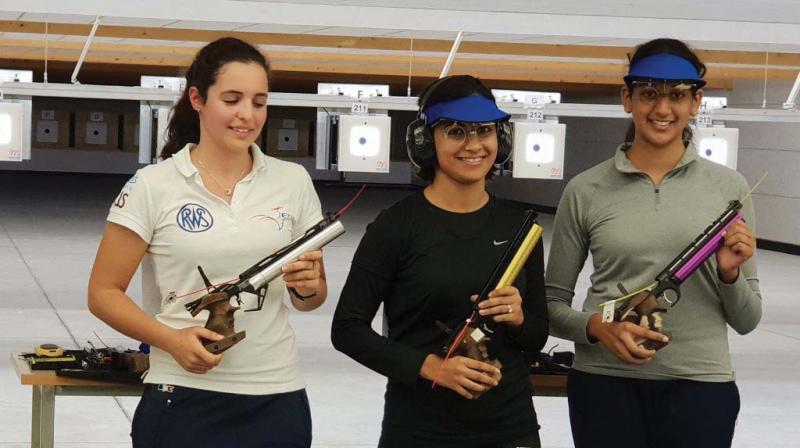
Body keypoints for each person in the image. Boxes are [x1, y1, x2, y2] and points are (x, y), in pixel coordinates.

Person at [87, 37, 326, 448]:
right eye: (232, 99)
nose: (247, 115)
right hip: (181, 396)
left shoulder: (293, 181)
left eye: (259, 101)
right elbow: (103, 293)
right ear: (197, 98)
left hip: (276, 396)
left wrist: (307, 287)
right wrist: (171, 340)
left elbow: (312, 298)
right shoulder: (153, 185)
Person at [545, 38, 762, 448]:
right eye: (649, 94)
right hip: (605, 386)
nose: (662, 110)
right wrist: (596, 328)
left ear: (696, 103)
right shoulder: (585, 189)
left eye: (678, 96)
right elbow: (551, 305)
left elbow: (748, 321)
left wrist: (730, 273)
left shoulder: (728, 188)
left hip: (701, 385)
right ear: (627, 98)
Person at [331, 75, 549, 448]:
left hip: (510, 428)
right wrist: (434, 369)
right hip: (420, 430)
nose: (474, 145)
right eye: (455, 131)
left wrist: (519, 318)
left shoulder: (521, 227)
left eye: (484, 131)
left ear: (503, 139)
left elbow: (536, 336)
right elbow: (347, 329)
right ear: (425, 141)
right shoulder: (396, 226)